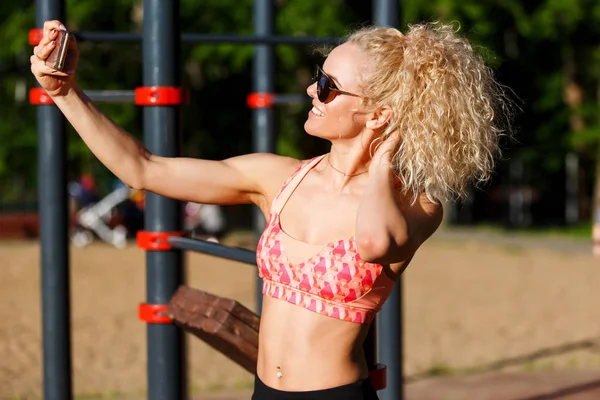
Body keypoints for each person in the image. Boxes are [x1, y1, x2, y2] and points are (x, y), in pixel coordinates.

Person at [31, 20, 513, 400]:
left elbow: (372, 242)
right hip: (263, 391)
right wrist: (64, 92)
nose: (311, 90)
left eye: (327, 85)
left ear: (378, 114)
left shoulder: (418, 205)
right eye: (316, 79)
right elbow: (145, 170)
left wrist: (385, 155)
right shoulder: (278, 177)